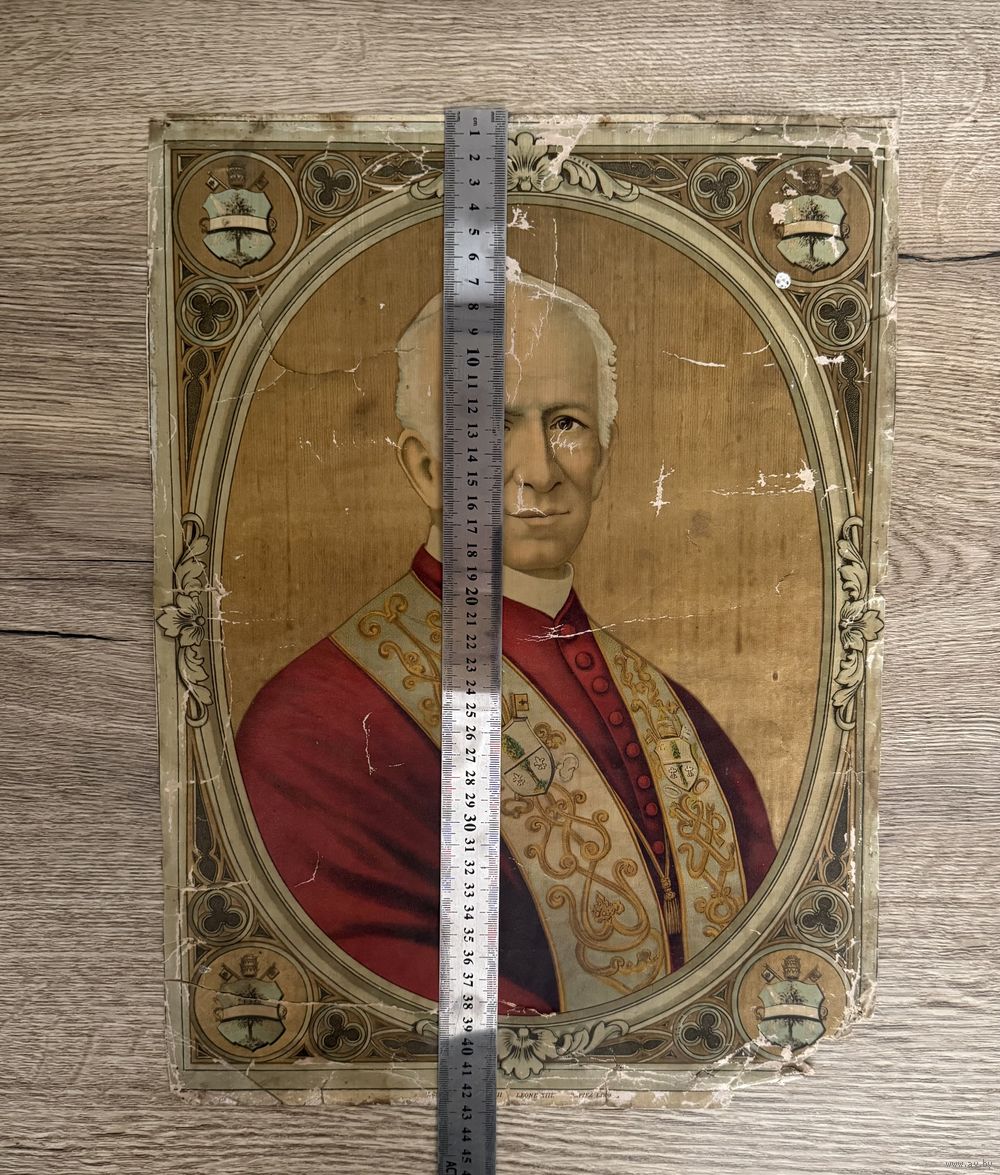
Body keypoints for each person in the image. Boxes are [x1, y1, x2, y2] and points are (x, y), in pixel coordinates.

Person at [236, 272, 776, 1014]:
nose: (539, 473)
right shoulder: (312, 724)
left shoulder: (679, 718)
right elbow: (369, 980)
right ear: (427, 468)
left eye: (567, 423)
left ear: (604, 453)